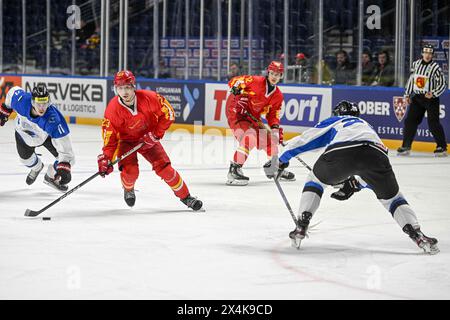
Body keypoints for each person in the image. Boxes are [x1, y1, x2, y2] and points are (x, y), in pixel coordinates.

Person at [265, 100, 439, 254]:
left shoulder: (338, 121)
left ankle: (302, 222)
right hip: (377, 156)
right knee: (393, 198)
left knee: (315, 180)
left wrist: (280, 161)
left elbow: (307, 140)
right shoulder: (367, 127)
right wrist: (355, 183)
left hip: (341, 153)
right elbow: (367, 167)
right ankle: (416, 234)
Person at [97, 70, 203, 210]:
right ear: (116, 89)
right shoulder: (112, 110)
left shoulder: (149, 98)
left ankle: (186, 197)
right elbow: (110, 138)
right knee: (130, 172)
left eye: (128, 87)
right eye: (120, 88)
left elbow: (169, 113)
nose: (125, 92)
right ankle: (128, 189)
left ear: (134, 86)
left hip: (149, 139)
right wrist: (106, 158)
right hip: (126, 142)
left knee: (166, 170)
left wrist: (155, 135)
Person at [225, 61, 295, 186]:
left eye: (278, 75)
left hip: (253, 116)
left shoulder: (278, 95)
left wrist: (274, 128)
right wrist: (235, 88)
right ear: (268, 73)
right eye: (272, 73)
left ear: (281, 76)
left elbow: (273, 114)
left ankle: (274, 166)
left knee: (270, 141)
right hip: (236, 112)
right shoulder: (255, 81)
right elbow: (237, 80)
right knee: (250, 137)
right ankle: (234, 169)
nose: (274, 77)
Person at [0, 85, 75, 191]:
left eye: (44, 103)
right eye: (38, 103)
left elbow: (66, 147)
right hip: (23, 135)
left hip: (45, 136)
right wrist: (5, 110)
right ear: (32, 102)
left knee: (69, 160)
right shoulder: (21, 101)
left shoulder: (53, 120)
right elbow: (12, 92)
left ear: (48, 102)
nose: (41, 107)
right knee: (25, 160)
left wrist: (64, 166)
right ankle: (37, 167)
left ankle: (50, 176)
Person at [398, 44, 448, 156]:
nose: (428, 55)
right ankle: (406, 146)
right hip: (417, 98)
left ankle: (442, 147)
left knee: (433, 123)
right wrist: (407, 95)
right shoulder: (416, 64)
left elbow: (443, 84)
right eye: (426, 52)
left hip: (431, 99)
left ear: (432, 55)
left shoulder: (435, 68)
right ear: (422, 53)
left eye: (430, 53)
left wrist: (434, 93)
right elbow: (412, 80)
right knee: (410, 121)